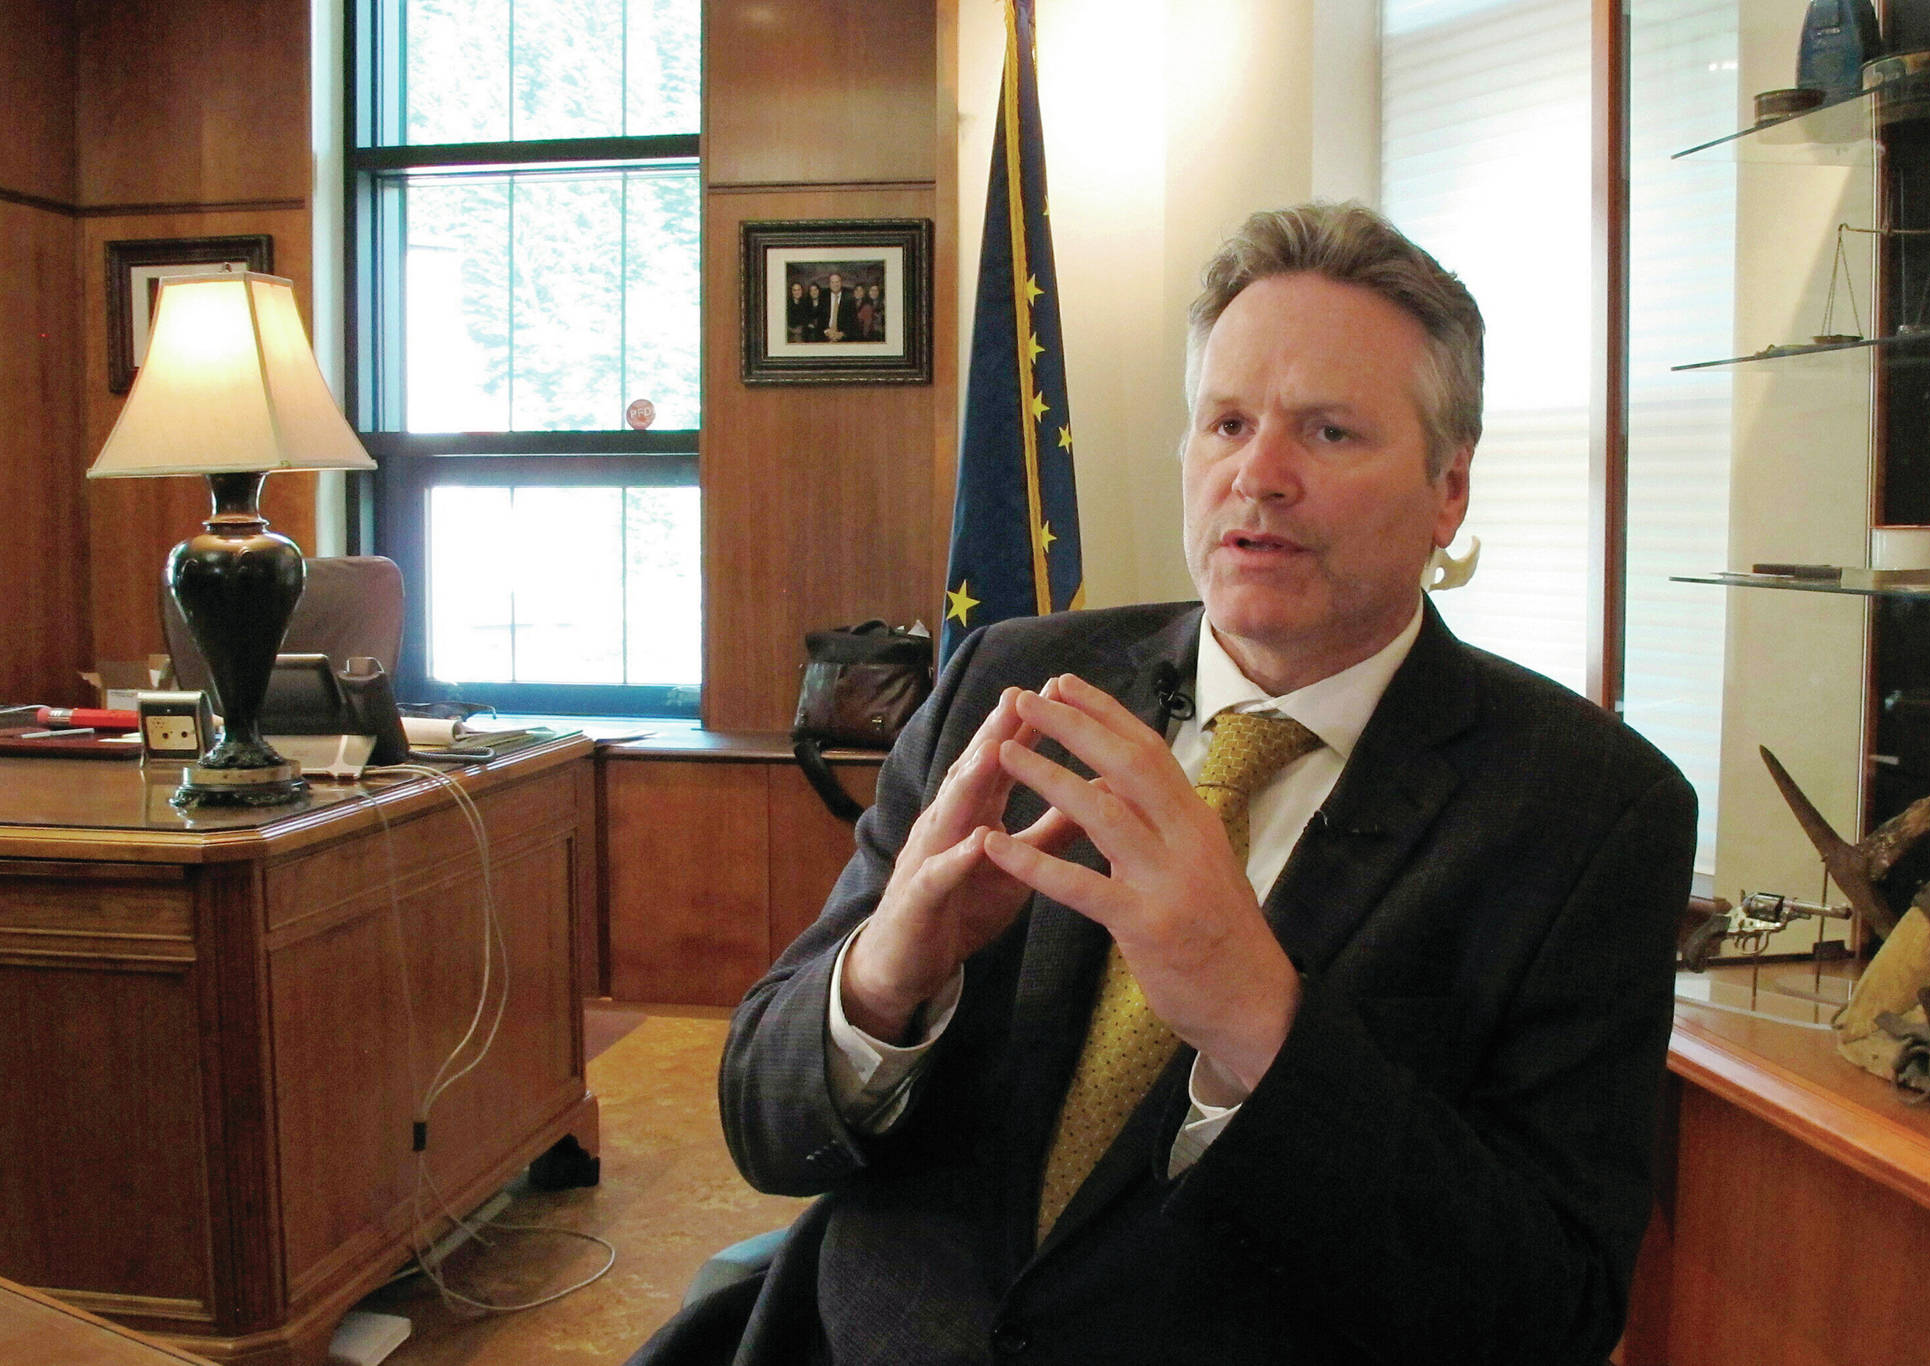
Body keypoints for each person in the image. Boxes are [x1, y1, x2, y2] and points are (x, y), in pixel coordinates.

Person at [630, 202, 1697, 1366]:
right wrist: (887, 974)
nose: (1259, 475)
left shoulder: (1589, 811)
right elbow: (763, 1125)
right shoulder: (1012, 681)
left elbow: (1543, 1309)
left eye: (1330, 433)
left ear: (1447, 488)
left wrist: (1260, 1025)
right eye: (1226, 422)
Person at [820, 271, 858, 342]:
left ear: (841, 283)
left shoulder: (849, 297)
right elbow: (820, 319)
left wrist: (842, 334)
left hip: (843, 337)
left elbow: (853, 321)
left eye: (837, 282)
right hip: (826, 335)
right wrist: (827, 331)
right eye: (832, 282)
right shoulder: (823, 296)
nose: (835, 284)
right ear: (829, 284)